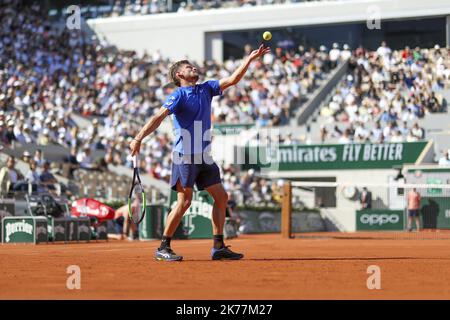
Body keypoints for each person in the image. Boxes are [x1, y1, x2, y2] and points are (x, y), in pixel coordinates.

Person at [130, 44, 271, 261]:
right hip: (184, 155)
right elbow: (158, 117)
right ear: (180, 75)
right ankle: (163, 247)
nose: (194, 67)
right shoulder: (178, 95)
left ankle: (218, 246)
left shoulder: (206, 88)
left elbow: (233, 79)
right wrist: (138, 137)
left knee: (222, 197)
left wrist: (250, 60)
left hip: (204, 156)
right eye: (189, 67)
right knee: (184, 202)